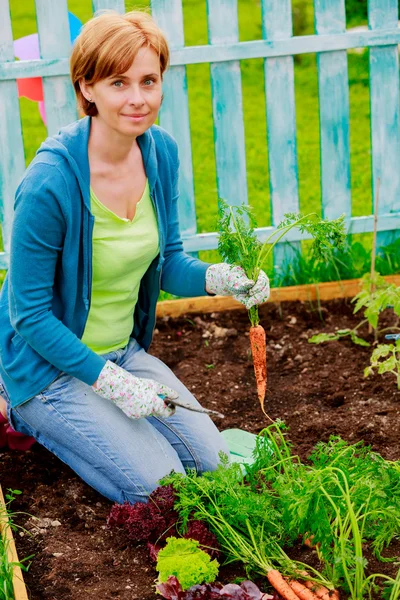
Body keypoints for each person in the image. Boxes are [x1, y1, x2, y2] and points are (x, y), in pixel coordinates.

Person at [0, 10, 270, 503]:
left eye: (149, 80)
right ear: (87, 87)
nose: (138, 98)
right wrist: (110, 384)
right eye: (119, 82)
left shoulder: (159, 153)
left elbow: (167, 262)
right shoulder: (50, 183)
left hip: (121, 353)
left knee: (217, 469)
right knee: (160, 490)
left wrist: (220, 278)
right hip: (48, 368)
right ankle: (17, 410)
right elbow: (30, 316)